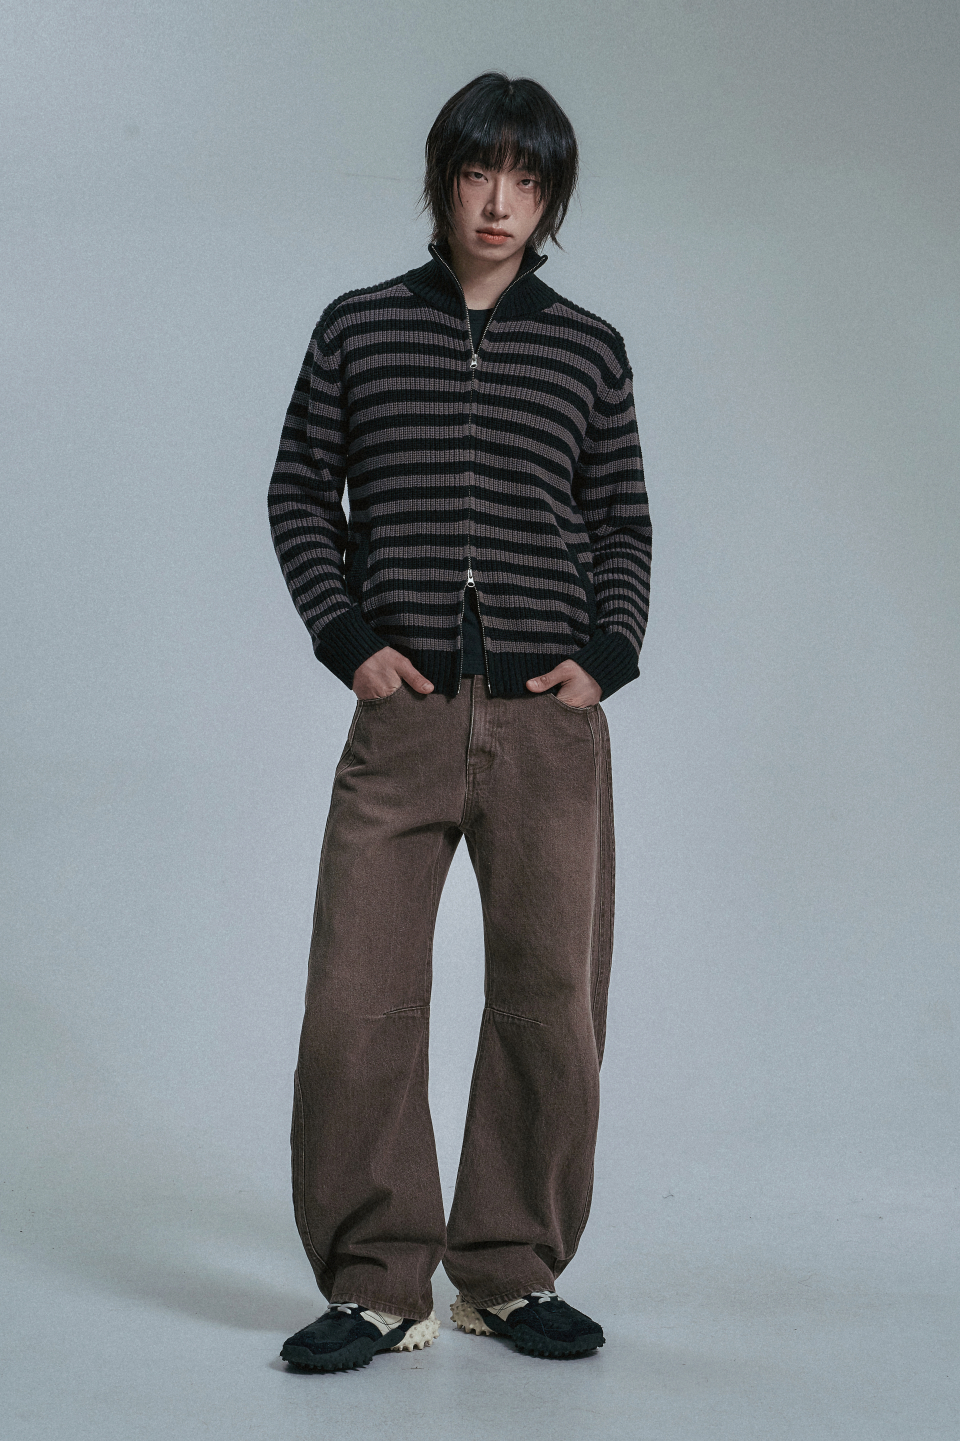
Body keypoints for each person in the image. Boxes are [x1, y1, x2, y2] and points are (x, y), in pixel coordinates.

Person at [268, 72, 651, 1373]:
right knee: (357, 1000)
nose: (500, 202)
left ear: (550, 201)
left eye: (527, 181)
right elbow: (299, 493)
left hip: (549, 725)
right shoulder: (360, 328)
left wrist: (606, 655)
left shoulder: (588, 347)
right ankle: (378, 1280)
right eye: (480, 173)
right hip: (407, 717)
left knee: (551, 998)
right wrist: (348, 640)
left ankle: (507, 1269)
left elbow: (622, 521)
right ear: (442, 178)